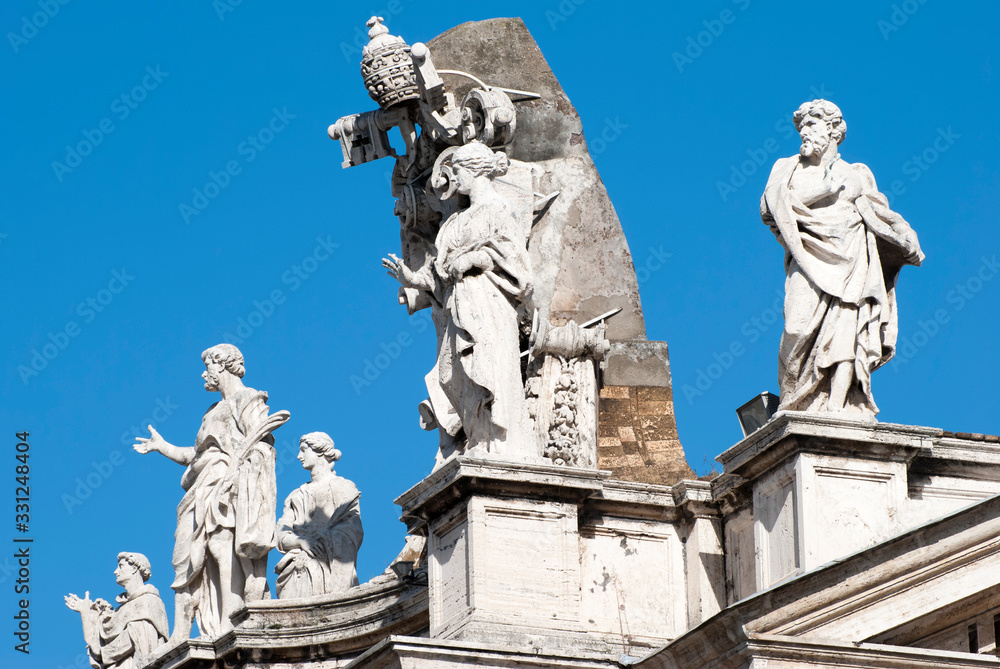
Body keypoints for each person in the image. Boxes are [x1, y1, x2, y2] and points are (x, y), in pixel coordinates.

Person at [761, 99, 923, 414]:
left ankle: (838, 404)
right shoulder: (787, 168)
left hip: (852, 261)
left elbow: (882, 213)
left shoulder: (857, 173)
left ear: (833, 129)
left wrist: (907, 235)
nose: (804, 132)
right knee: (796, 326)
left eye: (811, 124)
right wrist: (824, 190)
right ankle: (794, 400)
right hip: (808, 258)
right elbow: (770, 209)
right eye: (801, 126)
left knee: (847, 331)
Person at [383, 140, 533, 460]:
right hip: (457, 304)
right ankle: (478, 437)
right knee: (449, 375)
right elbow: (439, 277)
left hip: (488, 301)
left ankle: (498, 442)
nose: (454, 178)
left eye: (458, 170)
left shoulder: (498, 209)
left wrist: (475, 258)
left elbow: (516, 263)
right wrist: (412, 279)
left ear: (474, 169)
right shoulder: (453, 222)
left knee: (487, 366)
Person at [134, 344, 288, 640]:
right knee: (192, 556)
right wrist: (163, 447)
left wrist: (237, 475)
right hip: (203, 487)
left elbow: (261, 446)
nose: (204, 373)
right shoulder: (212, 411)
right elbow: (197, 453)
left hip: (228, 486)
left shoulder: (248, 399)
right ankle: (199, 623)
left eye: (209, 366)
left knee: (221, 545)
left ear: (224, 365)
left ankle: (233, 612)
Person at [275, 432, 364, 598]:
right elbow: (280, 534)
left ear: (320, 451)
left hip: (327, 565)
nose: (298, 456)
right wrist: (301, 542)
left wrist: (318, 545)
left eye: (303, 450)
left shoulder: (343, 488)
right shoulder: (296, 495)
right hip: (295, 568)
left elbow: (351, 532)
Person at [65, 552, 169, 669]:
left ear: (134, 569)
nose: (116, 571)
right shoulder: (120, 611)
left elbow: (116, 647)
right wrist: (86, 613)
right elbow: (97, 647)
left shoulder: (148, 602)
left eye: (121, 566)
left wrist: (102, 651)